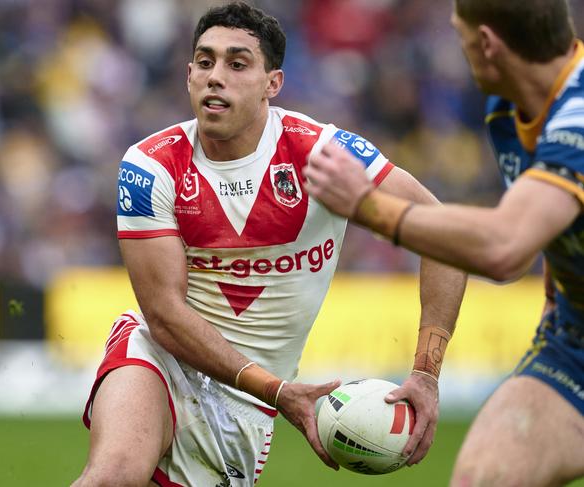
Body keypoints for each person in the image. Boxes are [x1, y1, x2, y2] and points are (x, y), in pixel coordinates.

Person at [72, 2, 466, 486]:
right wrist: (278, 390)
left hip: (249, 412)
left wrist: (426, 373)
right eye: (204, 61)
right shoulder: (151, 166)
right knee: (114, 475)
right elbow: (164, 317)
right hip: (166, 360)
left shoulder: (321, 156)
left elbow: (443, 235)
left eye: (237, 64)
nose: (216, 76)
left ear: (271, 84)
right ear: (188, 74)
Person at [304, 0, 584, 485]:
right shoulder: (508, 110)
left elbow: (504, 250)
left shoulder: (578, 116)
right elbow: (546, 234)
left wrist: (370, 207)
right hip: (572, 345)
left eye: (460, 35)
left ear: (488, 44)